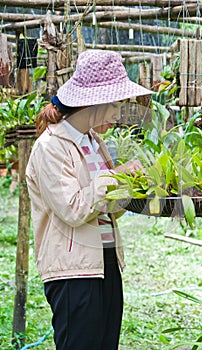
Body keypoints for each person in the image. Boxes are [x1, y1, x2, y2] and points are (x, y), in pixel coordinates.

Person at [26, 49, 152, 350]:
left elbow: (105, 209)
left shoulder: (94, 142)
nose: (118, 111)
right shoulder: (51, 147)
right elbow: (72, 209)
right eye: (116, 103)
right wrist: (116, 176)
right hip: (73, 270)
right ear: (95, 103)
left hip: (106, 260)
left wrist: (133, 187)